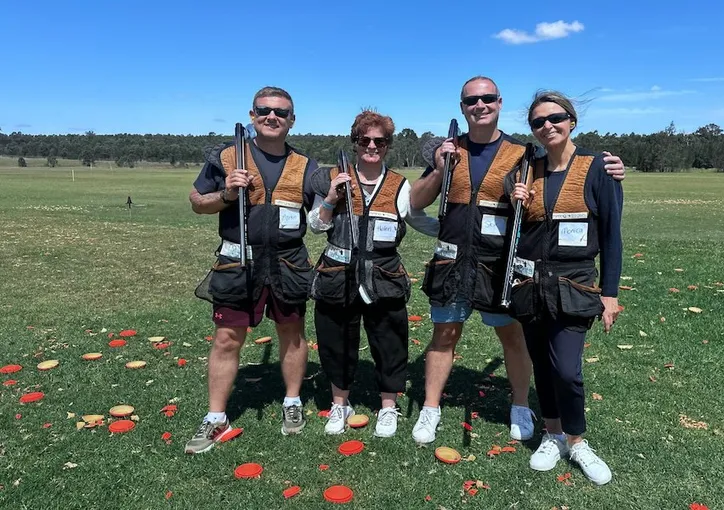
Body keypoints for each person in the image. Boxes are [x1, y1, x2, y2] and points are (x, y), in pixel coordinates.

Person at [408, 76, 627, 445]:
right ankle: (430, 409)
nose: (480, 105)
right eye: (472, 100)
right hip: (452, 263)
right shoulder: (449, 150)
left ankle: (521, 405)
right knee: (443, 335)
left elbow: (564, 167)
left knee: (512, 337)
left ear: (499, 102)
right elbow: (416, 202)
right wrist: (442, 168)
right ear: (462, 107)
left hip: (501, 264)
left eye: (488, 98)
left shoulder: (524, 153)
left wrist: (610, 168)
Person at [185, 86, 318, 454]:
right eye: (264, 110)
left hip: (289, 264)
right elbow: (198, 202)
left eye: (280, 112)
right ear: (252, 114)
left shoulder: (305, 165)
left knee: (292, 332)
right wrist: (227, 193)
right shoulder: (227, 157)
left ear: (292, 120)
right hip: (237, 263)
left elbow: (323, 208)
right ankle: (216, 418)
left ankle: (292, 403)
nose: (272, 116)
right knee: (227, 338)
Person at [507, 90, 623, 485]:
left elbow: (612, 235)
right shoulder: (526, 169)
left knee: (567, 370)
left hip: (575, 286)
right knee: (542, 363)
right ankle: (552, 433)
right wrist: (513, 197)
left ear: (571, 120)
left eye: (555, 118)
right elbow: (513, 218)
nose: (547, 127)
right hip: (531, 286)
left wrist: (610, 294)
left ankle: (576, 441)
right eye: (538, 122)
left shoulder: (599, 168)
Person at [306, 110, 439, 437]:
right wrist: (329, 199)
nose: (372, 146)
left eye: (379, 141)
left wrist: (453, 231)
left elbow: (417, 218)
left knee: (389, 341)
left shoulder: (398, 184)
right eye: (365, 140)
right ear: (355, 142)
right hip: (337, 275)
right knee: (336, 341)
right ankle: (340, 403)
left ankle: (388, 407)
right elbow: (315, 225)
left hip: (384, 276)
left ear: (388, 145)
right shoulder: (333, 177)